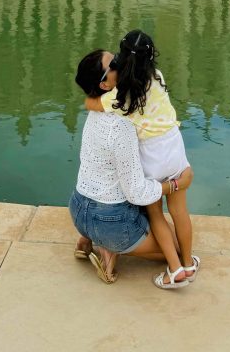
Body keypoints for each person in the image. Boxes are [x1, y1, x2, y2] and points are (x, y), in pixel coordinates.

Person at [83, 30, 198, 290]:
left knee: (155, 212)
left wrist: (92, 95)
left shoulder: (120, 94)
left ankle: (175, 268)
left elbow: (92, 105)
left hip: (151, 156)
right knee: (180, 211)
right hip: (174, 146)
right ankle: (189, 262)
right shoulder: (158, 77)